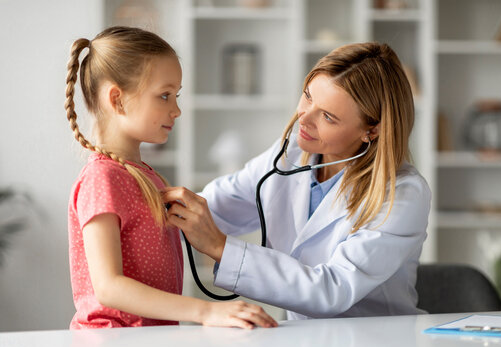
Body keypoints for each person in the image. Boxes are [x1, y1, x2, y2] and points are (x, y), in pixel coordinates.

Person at [163, 42, 432, 320]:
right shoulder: (289, 155)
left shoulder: (402, 193)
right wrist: (145, 198)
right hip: (305, 339)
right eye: (308, 96)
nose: (305, 118)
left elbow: (332, 289)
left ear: (371, 130)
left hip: (377, 342)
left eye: (327, 116)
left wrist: (219, 247)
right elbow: (215, 206)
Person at [65, 26, 277, 329]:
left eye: (175, 96)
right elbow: (108, 287)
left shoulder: (147, 177)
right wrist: (206, 313)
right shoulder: (102, 179)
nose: (176, 110)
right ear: (118, 99)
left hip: (147, 341)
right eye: (164, 96)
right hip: (114, 343)